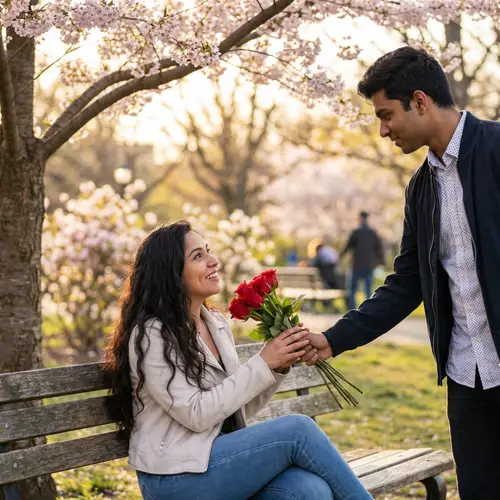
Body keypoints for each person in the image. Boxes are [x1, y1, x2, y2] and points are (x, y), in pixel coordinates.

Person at [301, 46, 500, 500]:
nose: (382, 129)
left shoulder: (497, 150)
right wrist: (334, 338)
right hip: (466, 377)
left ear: (421, 101)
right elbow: (407, 282)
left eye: (386, 114)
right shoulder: (421, 187)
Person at [105, 221, 372, 500]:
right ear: (171, 272)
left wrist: (277, 365)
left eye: (208, 251)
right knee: (298, 429)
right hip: (174, 477)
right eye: (198, 256)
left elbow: (236, 410)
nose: (213, 261)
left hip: (219, 461)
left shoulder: (216, 324)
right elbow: (197, 414)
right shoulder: (153, 334)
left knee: (310, 489)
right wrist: (262, 363)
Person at [341, 211, 384, 310]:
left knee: (352, 289)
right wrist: (381, 261)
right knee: (368, 289)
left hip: (356, 265)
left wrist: (340, 256)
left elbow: (347, 246)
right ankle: (367, 309)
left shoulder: (356, 232)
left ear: (359, 218)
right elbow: (378, 248)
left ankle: (352, 309)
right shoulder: (373, 233)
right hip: (369, 265)